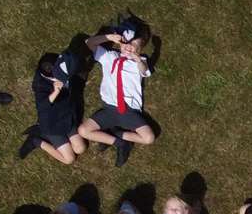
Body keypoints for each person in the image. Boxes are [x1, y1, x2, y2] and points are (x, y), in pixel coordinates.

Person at [77, 16, 160, 165]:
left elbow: (145, 71)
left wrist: (138, 59)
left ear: (140, 49)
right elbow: (88, 43)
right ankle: (119, 142)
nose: (128, 48)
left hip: (129, 112)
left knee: (149, 138)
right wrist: (108, 37)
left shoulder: (140, 62)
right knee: (84, 131)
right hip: (109, 109)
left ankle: (118, 133)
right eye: (125, 43)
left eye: (134, 45)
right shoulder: (109, 56)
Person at [20, 48, 87, 164]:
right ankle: (36, 140)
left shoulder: (59, 66)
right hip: (52, 126)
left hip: (67, 117)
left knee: (80, 148)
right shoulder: (40, 85)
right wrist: (55, 93)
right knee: (69, 159)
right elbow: (43, 106)